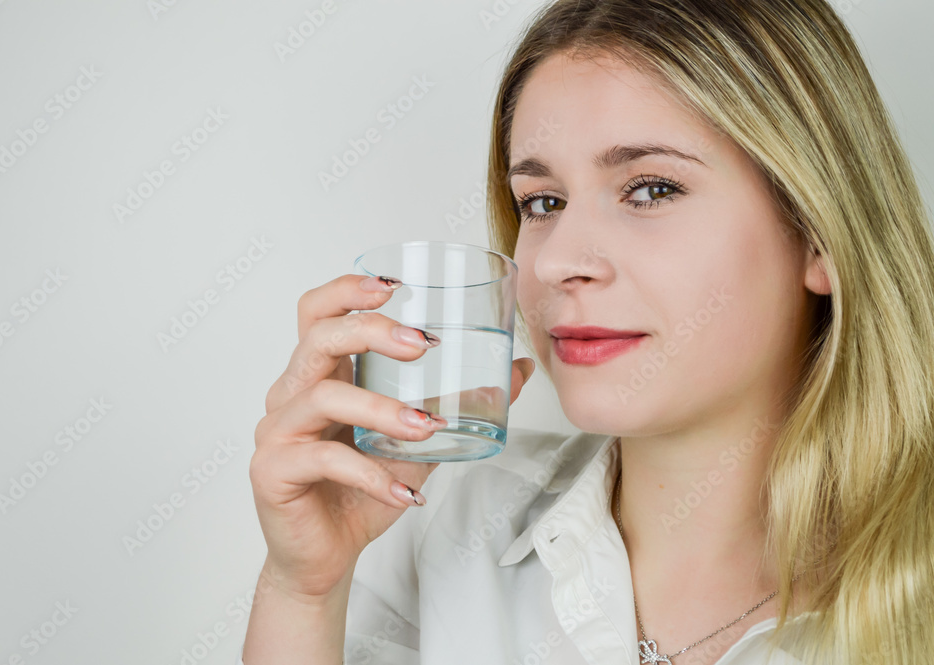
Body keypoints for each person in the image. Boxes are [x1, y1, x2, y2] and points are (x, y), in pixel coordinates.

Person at [240, 0, 934, 663]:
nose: (557, 260)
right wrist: (302, 593)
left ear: (817, 235)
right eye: (542, 202)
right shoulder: (448, 522)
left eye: (651, 188)